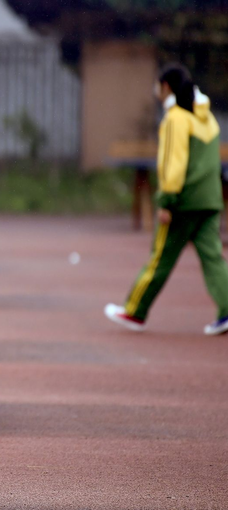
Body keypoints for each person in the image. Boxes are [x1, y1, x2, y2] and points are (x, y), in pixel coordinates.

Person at [104, 64, 228, 336]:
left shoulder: (175, 119)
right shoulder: (208, 119)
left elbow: (174, 163)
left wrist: (167, 200)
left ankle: (134, 310)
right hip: (210, 200)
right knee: (213, 259)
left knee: (160, 258)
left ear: (167, 87)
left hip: (183, 202)